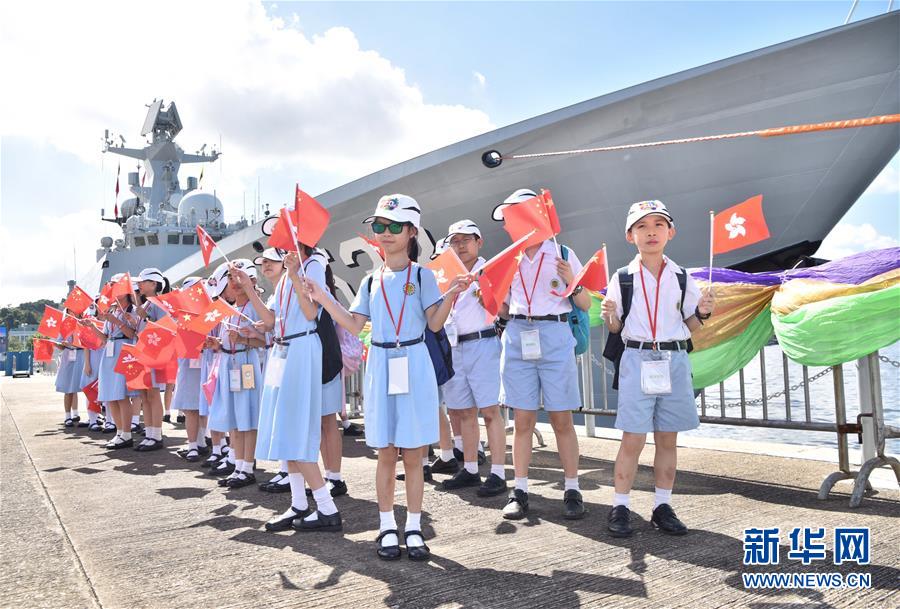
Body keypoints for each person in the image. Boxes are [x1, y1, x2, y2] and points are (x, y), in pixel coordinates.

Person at [304, 194, 468, 561]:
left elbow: (434, 324)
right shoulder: (370, 280)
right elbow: (353, 323)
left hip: (413, 360)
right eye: (379, 226)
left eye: (395, 226)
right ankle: (385, 526)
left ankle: (413, 526)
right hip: (380, 360)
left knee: (413, 453)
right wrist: (324, 298)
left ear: (411, 232)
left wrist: (453, 295)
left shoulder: (422, 275)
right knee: (386, 453)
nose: (386, 233)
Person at [601, 200, 715, 537]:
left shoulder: (682, 277)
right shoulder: (621, 277)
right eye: (642, 226)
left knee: (668, 439)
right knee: (632, 438)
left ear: (670, 232)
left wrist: (704, 311)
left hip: (674, 359)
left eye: (658, 225)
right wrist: (609, 315)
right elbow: (615, 329)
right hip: (636, 358)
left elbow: (691, 324)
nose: (651, 231)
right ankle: (620, 506)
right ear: (630, 235)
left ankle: (662, 505)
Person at [493, 188, 591, 521]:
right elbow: (504, 307)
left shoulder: (562, 252)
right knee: (522, 420)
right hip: (519, 333)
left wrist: (572, 283)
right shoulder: (508, 258)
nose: (508, 226)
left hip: (553, 332)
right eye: (507, 220)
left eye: (512, 217)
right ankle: (519, 490)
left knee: (562, 419)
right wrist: (487, 297)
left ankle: (572, 488)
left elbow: (585, 303)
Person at [437, 220, 508, 497]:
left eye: (466, 239)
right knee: (463, 411)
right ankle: (469, 468)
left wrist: (485, 295)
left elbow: (505, 311)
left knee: (490, 411)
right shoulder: (444, 275)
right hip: (454, 347)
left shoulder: (491, 270)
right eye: (455, 241)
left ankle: (499, 473)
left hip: (483, 343)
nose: (461, 245)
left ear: (479, 242)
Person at [206, 260, 264, 489]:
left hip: (246, 364)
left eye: (240, 277)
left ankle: (247, 467)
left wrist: (242, 340)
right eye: (231, 278)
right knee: (235, 420)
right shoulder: (230, 310)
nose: (235, 283)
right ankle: (238, 465)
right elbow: (229, 340)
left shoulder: (254, 308)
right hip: (230, 365)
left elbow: (266, 340)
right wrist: (217, 344)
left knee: (247, 418)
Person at [172, 277, 208, 462]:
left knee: (204, 407)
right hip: (188, 363)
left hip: (206, 362)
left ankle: (208, 444)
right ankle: (194, 445)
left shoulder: (210, 311)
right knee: (190, 407)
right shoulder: (182, 315)